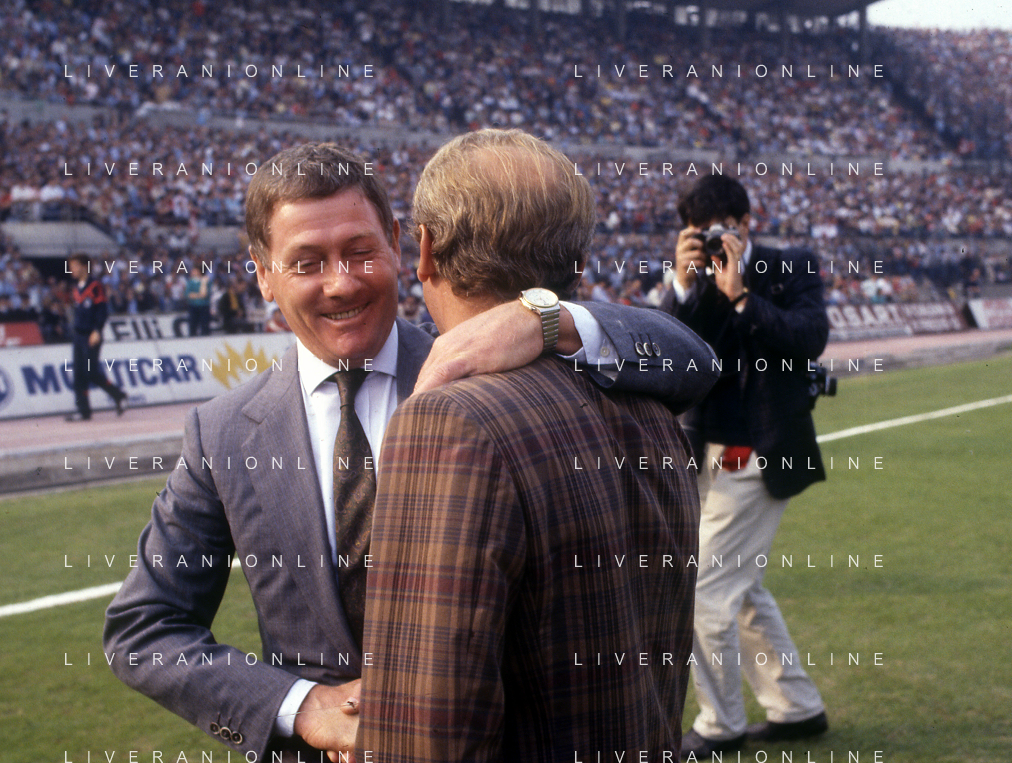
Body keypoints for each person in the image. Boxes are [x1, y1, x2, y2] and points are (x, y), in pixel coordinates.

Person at [104, 142, 717, 762]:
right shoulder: (223, 433)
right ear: (263, 273)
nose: (341, 282)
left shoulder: (483, 365)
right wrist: (300, 706)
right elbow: (144, 626)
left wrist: (549, 319)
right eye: (307, 262)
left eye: (360, 252)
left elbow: (691, 357)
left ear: (401, 244)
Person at [355, 129, 706, 762]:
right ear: (578, 263)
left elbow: (428, 726)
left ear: (425, 249)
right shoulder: (648, 403)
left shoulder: (449, 419)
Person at [658, 174, 830, 758]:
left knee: (704, 591)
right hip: (702, 453)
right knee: (744, 590)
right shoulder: (695, 277)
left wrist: (741, 297)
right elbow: (670, 352)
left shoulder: (790, 266)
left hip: (759, 452)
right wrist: (682, 288)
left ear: (746, 223)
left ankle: (719, 724)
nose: (714, 241)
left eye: (723, 230)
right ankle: (797, 708)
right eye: (701, 233)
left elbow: (810, 336)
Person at [65, 253, 126, 421]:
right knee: (78, 373)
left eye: (74, 266)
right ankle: (83, 410)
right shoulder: (76, 288)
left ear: (84, 266)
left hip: (91, 335)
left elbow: (102, 310)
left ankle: (118, 395)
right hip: (78, 336)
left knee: (90, 371)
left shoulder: (95, 286)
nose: (72, 269)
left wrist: (97, 330)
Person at [185, 264, 212, 336]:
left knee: (205, 326)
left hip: (204, 306)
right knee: (193, 326)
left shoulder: (206, 281)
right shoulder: (191, 282)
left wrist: (203, 283)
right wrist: (199, 295)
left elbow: (204, 294)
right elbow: (188, 295)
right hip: (193, 306)